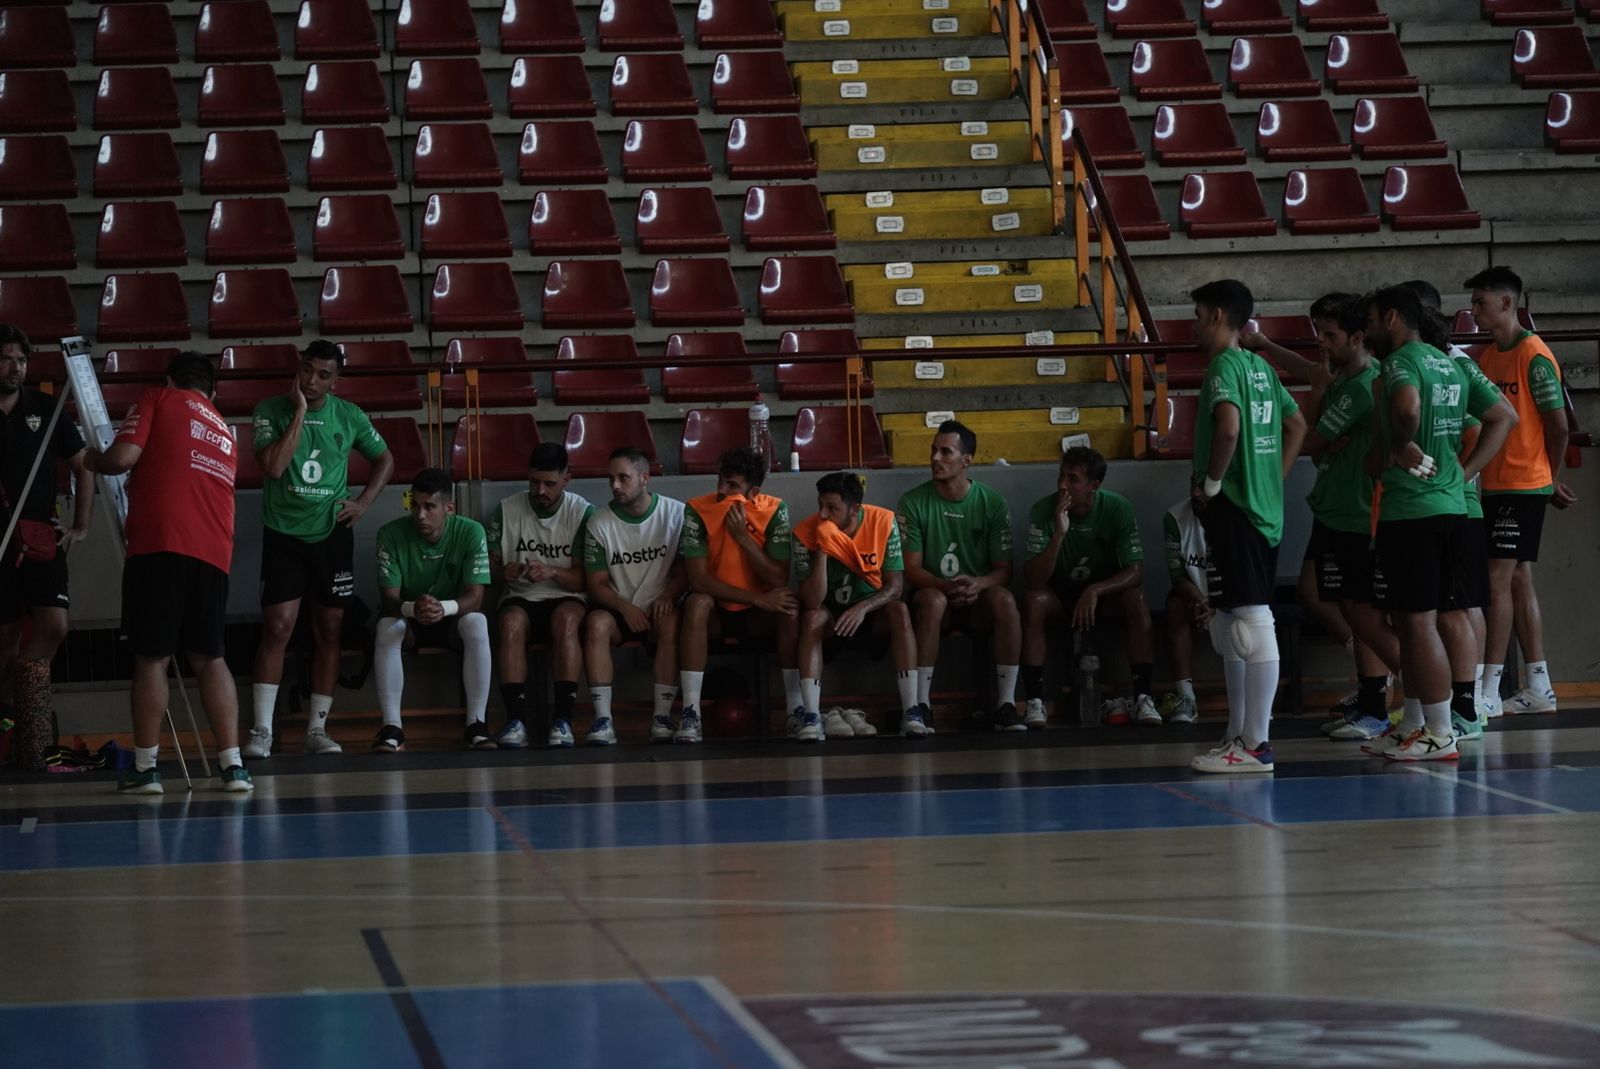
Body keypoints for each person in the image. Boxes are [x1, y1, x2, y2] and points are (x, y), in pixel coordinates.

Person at [84, 351, 252, 794]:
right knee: (210, 656)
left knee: (151, 656)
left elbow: (122, 457)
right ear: (212, 391)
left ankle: (146, 768)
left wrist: (90, 461)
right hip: (215, 551)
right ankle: (233, 766)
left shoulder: (159, 397)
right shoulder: (224, 429)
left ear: (170, 378)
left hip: (162, 543)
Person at [1362, 286, 1514, 762]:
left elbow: (1406, 409)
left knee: (1419, 621)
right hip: (1449, 505)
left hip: (1412, 511)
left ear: (1391, 318)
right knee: (1418, 623)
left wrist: (1399, 443)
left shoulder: (1400, 362)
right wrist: (1463, 474)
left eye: (1369, 321)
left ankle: (1440, 731)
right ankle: (1412, 723)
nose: (1365, 331)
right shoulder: (1449, 362)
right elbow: (1501, 416)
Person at [1256, 295, 1398, 742]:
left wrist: (1316, 401)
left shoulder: (1359, 387)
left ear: (1359, 339)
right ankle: (1374, 694)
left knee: (1362, 612)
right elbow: (1308, 370)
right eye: (1319, 331)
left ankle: (1397, 699)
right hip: (1332, 508)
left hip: (1355, 515)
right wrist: (1263, 344)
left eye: (1330, 336)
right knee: (1328, 599)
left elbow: (1312, 441)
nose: (1322, 343)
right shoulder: (1345, 373)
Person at [242, 340, 392, 759]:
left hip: (331, 536)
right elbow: (272, 466)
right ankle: (261, 731)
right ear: (299, 367)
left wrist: (363, 503)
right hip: (283, 535)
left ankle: (317, 728)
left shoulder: (350, 415)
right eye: (307, 370)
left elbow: (386, 460)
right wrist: (300, 414)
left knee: (329, 630)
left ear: (336, 380)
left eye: (323, 375)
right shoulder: (270, 409)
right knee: (277, 629)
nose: (311, 380)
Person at [1187, 279, 1306, 774]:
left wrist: (1214, 483)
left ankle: (1256, 744)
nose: (1194, 324)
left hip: (1235, 505)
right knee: (1232, 619)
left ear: (1217, 315)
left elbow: (1229, 427)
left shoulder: (1225, 366)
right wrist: (1272, 479)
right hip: (1262, 506)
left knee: (1254, 620)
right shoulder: (1261, 367)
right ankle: (1238, 734)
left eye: (1197, 314)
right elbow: (1297, 425)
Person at [1466, 266, 1574, 716]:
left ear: (1508, 303)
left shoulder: (1534, 354)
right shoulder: (1488, 357)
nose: (1473, 311)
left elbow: (1559, 424)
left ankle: (1488, 689)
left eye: (1481, 302)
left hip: (1523, 484)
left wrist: (1549, 476)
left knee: (1496, 576)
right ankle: (1538, 685)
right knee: (1517, 577)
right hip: (1494, 482)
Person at [0, 325, 94, 771]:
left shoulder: (47, 409)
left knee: (54, 626)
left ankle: (29, 706)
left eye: (21, 359)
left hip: (39, 536)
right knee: (4, 637)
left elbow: (84, 465)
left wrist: (80, 525)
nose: (15, 367)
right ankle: (9, 722)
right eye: (6, 358)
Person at [896, 420, 1022, 731]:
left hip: (978, 600)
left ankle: (1006, 704)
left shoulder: (992, 503)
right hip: (935, 594)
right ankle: (921, 705)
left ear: (967, 460)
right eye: (933, 451)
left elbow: (1004, 571)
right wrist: (945, 585)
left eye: (945, 451)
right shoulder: (912, 502)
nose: (936, 458)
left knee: (1005, 600)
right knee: (933, 600)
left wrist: (978, 584)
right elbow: (911, 569)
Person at [1021, 446, 1155, 727]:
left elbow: (1136, 570)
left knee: (1136, 598)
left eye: (1072, 479)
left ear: (1094, 485)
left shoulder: (1118, 508)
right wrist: (1059, 534)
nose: (1062, 485)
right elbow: (1034, 580)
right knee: (1034, 601)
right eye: (1061, 476)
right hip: (1059, 596)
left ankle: (1143, 697)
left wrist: (1095, 590)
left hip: (1102, 596)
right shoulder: (1044, 509)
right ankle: (1034, 701)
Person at [679, 447, 807, 741]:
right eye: (721, 481)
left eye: (733, 486)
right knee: (696, 604)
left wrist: (743, 539)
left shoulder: (775, 509)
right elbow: (698, 580)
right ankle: (690, 714)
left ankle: (796, 710)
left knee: (789, 606)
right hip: (717, 607)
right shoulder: (697, 509)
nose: (723, 491)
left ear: (754, 491)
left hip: (758, 613)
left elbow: (778, 577)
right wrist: (756, 598)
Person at [372, 468, 492, 752]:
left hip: (453, 619)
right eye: (415, 505)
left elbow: (475, 597)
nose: (420, 515)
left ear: (449, 508)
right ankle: (392, 729)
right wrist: (414, 610)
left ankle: (477, 724)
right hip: (410, 618)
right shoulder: (389, 534)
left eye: (429, 507)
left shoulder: (471, 531)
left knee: (477, 621)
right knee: (386, 627)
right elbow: (389, 597)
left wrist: (443, 608)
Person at [794, 471, 921, 739]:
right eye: (820, 506)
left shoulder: (883, 521)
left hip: (870, 611)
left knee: (900, 610)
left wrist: (863, 608)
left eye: (832, 508)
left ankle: (912, 711)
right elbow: (811, 600)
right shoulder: (806, 532)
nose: (824, 515)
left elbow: (895, 587)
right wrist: (823, 551)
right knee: (811, 618)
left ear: (854, 509)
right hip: (831, 615)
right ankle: (812, 716)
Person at [488, 443, 592, 748]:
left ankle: (563, 719)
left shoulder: (582, 512)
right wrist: (503, 571)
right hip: (521, 595)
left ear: (566, 480)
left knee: (567, 619)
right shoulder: (506, 509)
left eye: (550, 484)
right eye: (534, 482)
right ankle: (515, 720)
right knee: (510, 623)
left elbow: (583, 580)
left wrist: (551, 572)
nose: (541, 491)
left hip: (565, 594)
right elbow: (487, 566)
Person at [581, 448, 685, 746]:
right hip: (617, 606)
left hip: (660, 604)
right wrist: (624, 608)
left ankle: (662, 716)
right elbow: (596, 584)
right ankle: (603, 720)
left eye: (623, 478)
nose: (615, 485)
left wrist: (669, 594)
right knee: (596, 624)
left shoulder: (675, 513)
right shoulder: (598, 522)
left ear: (644, 479)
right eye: (611, 478)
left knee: (670, 624)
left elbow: (687, 570)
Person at [1160, 497, 1209, 725]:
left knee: (1246, 609)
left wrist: (1218, 604)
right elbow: (1177, 577)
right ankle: (1186, 697)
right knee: (1174, 604)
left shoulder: (1240, 513)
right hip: (1196, 598)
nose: (1197, 492)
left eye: (1203, 485)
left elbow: (1244, 572)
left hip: (1232, 594)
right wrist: (1202, 602)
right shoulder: (1175, 517)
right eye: (1193, 484)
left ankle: (1252, 700)